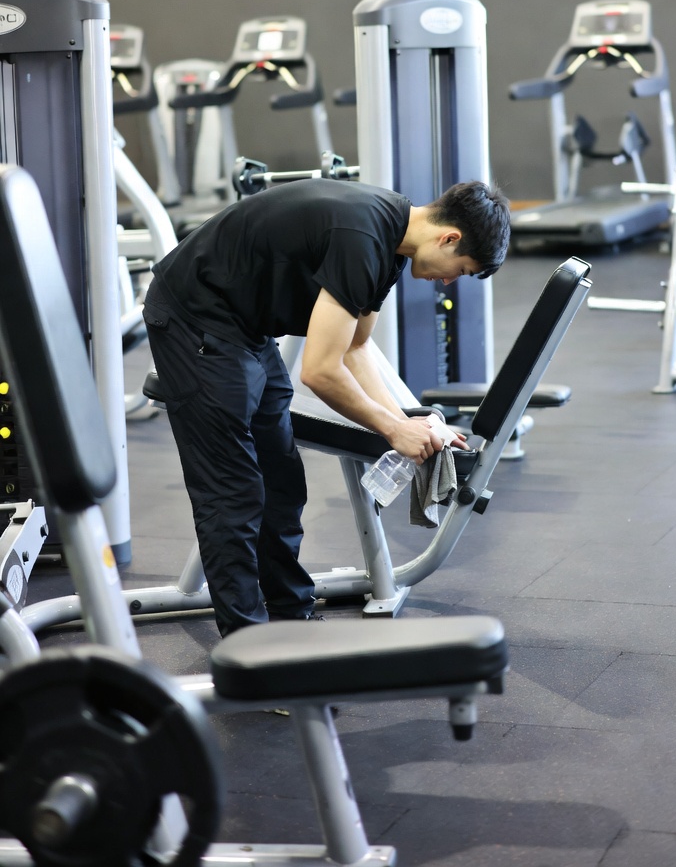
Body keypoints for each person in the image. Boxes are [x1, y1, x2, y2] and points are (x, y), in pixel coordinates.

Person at [143, 176, 510, 636]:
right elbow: (319, 371)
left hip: (246, 329)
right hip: (193, 317)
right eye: (459, 268)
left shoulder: (394, 240)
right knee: (233, 493)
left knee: (281, 483)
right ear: (449, 237)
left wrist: (407, 420)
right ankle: (251, 651)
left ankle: (291, 617)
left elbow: (355, 348)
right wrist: (394, 432)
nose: (448, 281)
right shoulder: (363, 239)